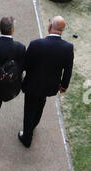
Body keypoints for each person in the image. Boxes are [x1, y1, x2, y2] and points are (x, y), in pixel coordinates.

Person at [19, 16, 74, 148]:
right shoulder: (68, 47)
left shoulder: (36, 44)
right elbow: (68, 70)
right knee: (40, 105)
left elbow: (25, 65)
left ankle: (27, 137)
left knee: (29, 109)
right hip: (50, 86)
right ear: (62, 30)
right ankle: (33, 126)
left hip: (32, 84)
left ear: (50, 27)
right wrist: (64, 86)